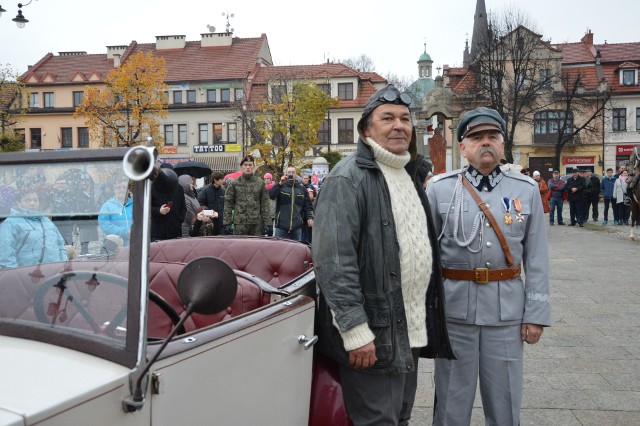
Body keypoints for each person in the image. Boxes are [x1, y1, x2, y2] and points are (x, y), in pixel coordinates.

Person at [313, 84, 454, 426]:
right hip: (371, 334)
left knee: (399, 418)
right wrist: (355, 332)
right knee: (378, 421)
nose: (399, 125)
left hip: (405, 329)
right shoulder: (348, 179)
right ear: (366, 130)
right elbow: (334, 263)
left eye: (405, 118)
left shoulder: (408, 173)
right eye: (387, 118)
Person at [427, 106, 551, 426]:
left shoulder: (525, 190)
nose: (486, 143)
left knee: (505, 401)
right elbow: (425, 255)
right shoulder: (440, 189)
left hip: (506, 314)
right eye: (477, 137)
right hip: (455, 312)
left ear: (503, 144)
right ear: (464, 147)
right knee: (451, 401)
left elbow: (536, 258)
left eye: (493, 137)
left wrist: (535, 315)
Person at [0, 186, 68, 268]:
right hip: (27, 277)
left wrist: (63, 267)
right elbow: (6, 255)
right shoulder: (11, 223)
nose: (32, 203)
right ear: (18, 202)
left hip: (54, 276)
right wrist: (16, 278)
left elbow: (61, 246)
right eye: (27, 200)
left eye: (36, 200)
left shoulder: (46, 221)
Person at [223, 155, 270, 236]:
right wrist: (227, 222)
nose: (248, 167)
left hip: (256, 224)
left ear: (253, 166)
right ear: (241, 166)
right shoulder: (235, 183)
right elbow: (228, 203)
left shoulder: (260, 183)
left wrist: (267, 223)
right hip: (240, 223)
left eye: (250, 165)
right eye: (245, 165)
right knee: (240, 247)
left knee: (256, 247)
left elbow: (265, 204)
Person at [269, 166, 314, 241]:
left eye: (293, 172)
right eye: (289, 172)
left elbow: (308, 205)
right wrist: (280, 183)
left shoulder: (302, 189)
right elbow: (271, 195)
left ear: (296, 174)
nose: (291, 174)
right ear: (286, 174)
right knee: (279, 247)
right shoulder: (281, 186)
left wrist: (310, 217)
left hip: (297, 225)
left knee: (296, 248)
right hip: (281, 224)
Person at [151, 163, 186, 241]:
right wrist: (159, 211)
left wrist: (179, 220)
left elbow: (183, 207)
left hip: (175, 231)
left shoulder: (179, 188)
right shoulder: (152, 187)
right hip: (158, 232)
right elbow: (145, 208)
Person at [98, 179, 133, 246]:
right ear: (114, 190)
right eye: (118, 187)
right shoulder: (107, 206)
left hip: (134, 245)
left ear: (128, 190)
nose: (121, 190)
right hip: (115, 246)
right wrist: (125, 232)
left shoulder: (135, 204)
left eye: (124, 187)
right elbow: (104, 225)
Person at [197, 171, 226, 235]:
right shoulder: (205, 190)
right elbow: (199, 203)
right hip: (209, 221)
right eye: (221, 179)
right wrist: (208, 212)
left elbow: (225, 204)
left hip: (220, 221)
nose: (223, 181)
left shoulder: (223, 190)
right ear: (215, 180)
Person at [300, 173, 317, 243]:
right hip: (301, 212)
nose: (305, 180)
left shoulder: (311, 187)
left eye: (307, 178)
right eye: (304, 178)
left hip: (308, 211)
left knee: (308, 230)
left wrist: (312, 198)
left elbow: (315, 196)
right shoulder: (299, 186)